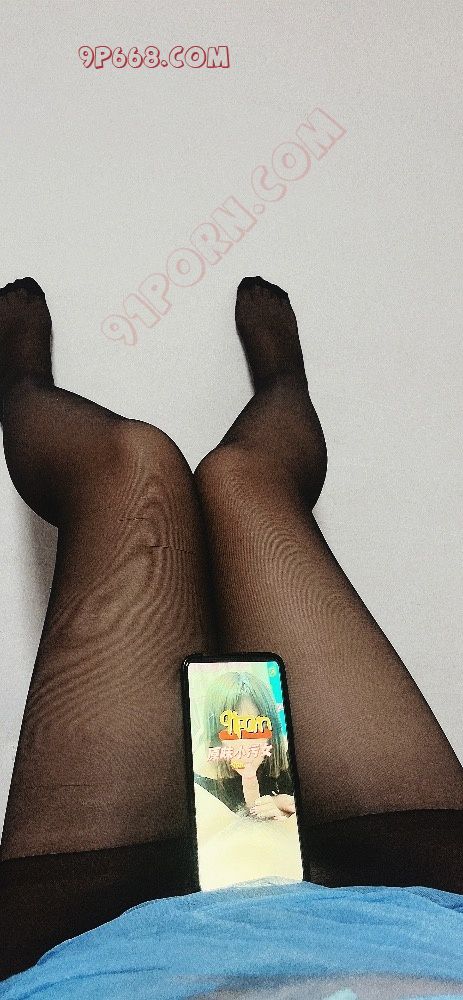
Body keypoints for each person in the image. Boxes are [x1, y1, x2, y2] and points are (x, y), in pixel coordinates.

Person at [0, 275, 463, 990]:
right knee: (241, 478)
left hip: (90, 953)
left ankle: (22, 385)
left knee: (132, 462)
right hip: (414, 924)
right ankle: (283, 382)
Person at [193, 668, 295, 815]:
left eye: (256, 727)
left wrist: (285, 810)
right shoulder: (202, 780)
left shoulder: (285, 753)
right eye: (233, 729)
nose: (246, 743)